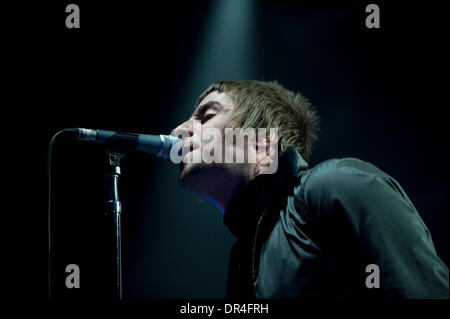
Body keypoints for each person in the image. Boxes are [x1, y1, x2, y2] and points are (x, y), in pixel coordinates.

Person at [173, 80, 449, 299]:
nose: (179, 131)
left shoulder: (335, 183)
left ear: (261, 145)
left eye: (206, 115)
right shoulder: (241, 260)